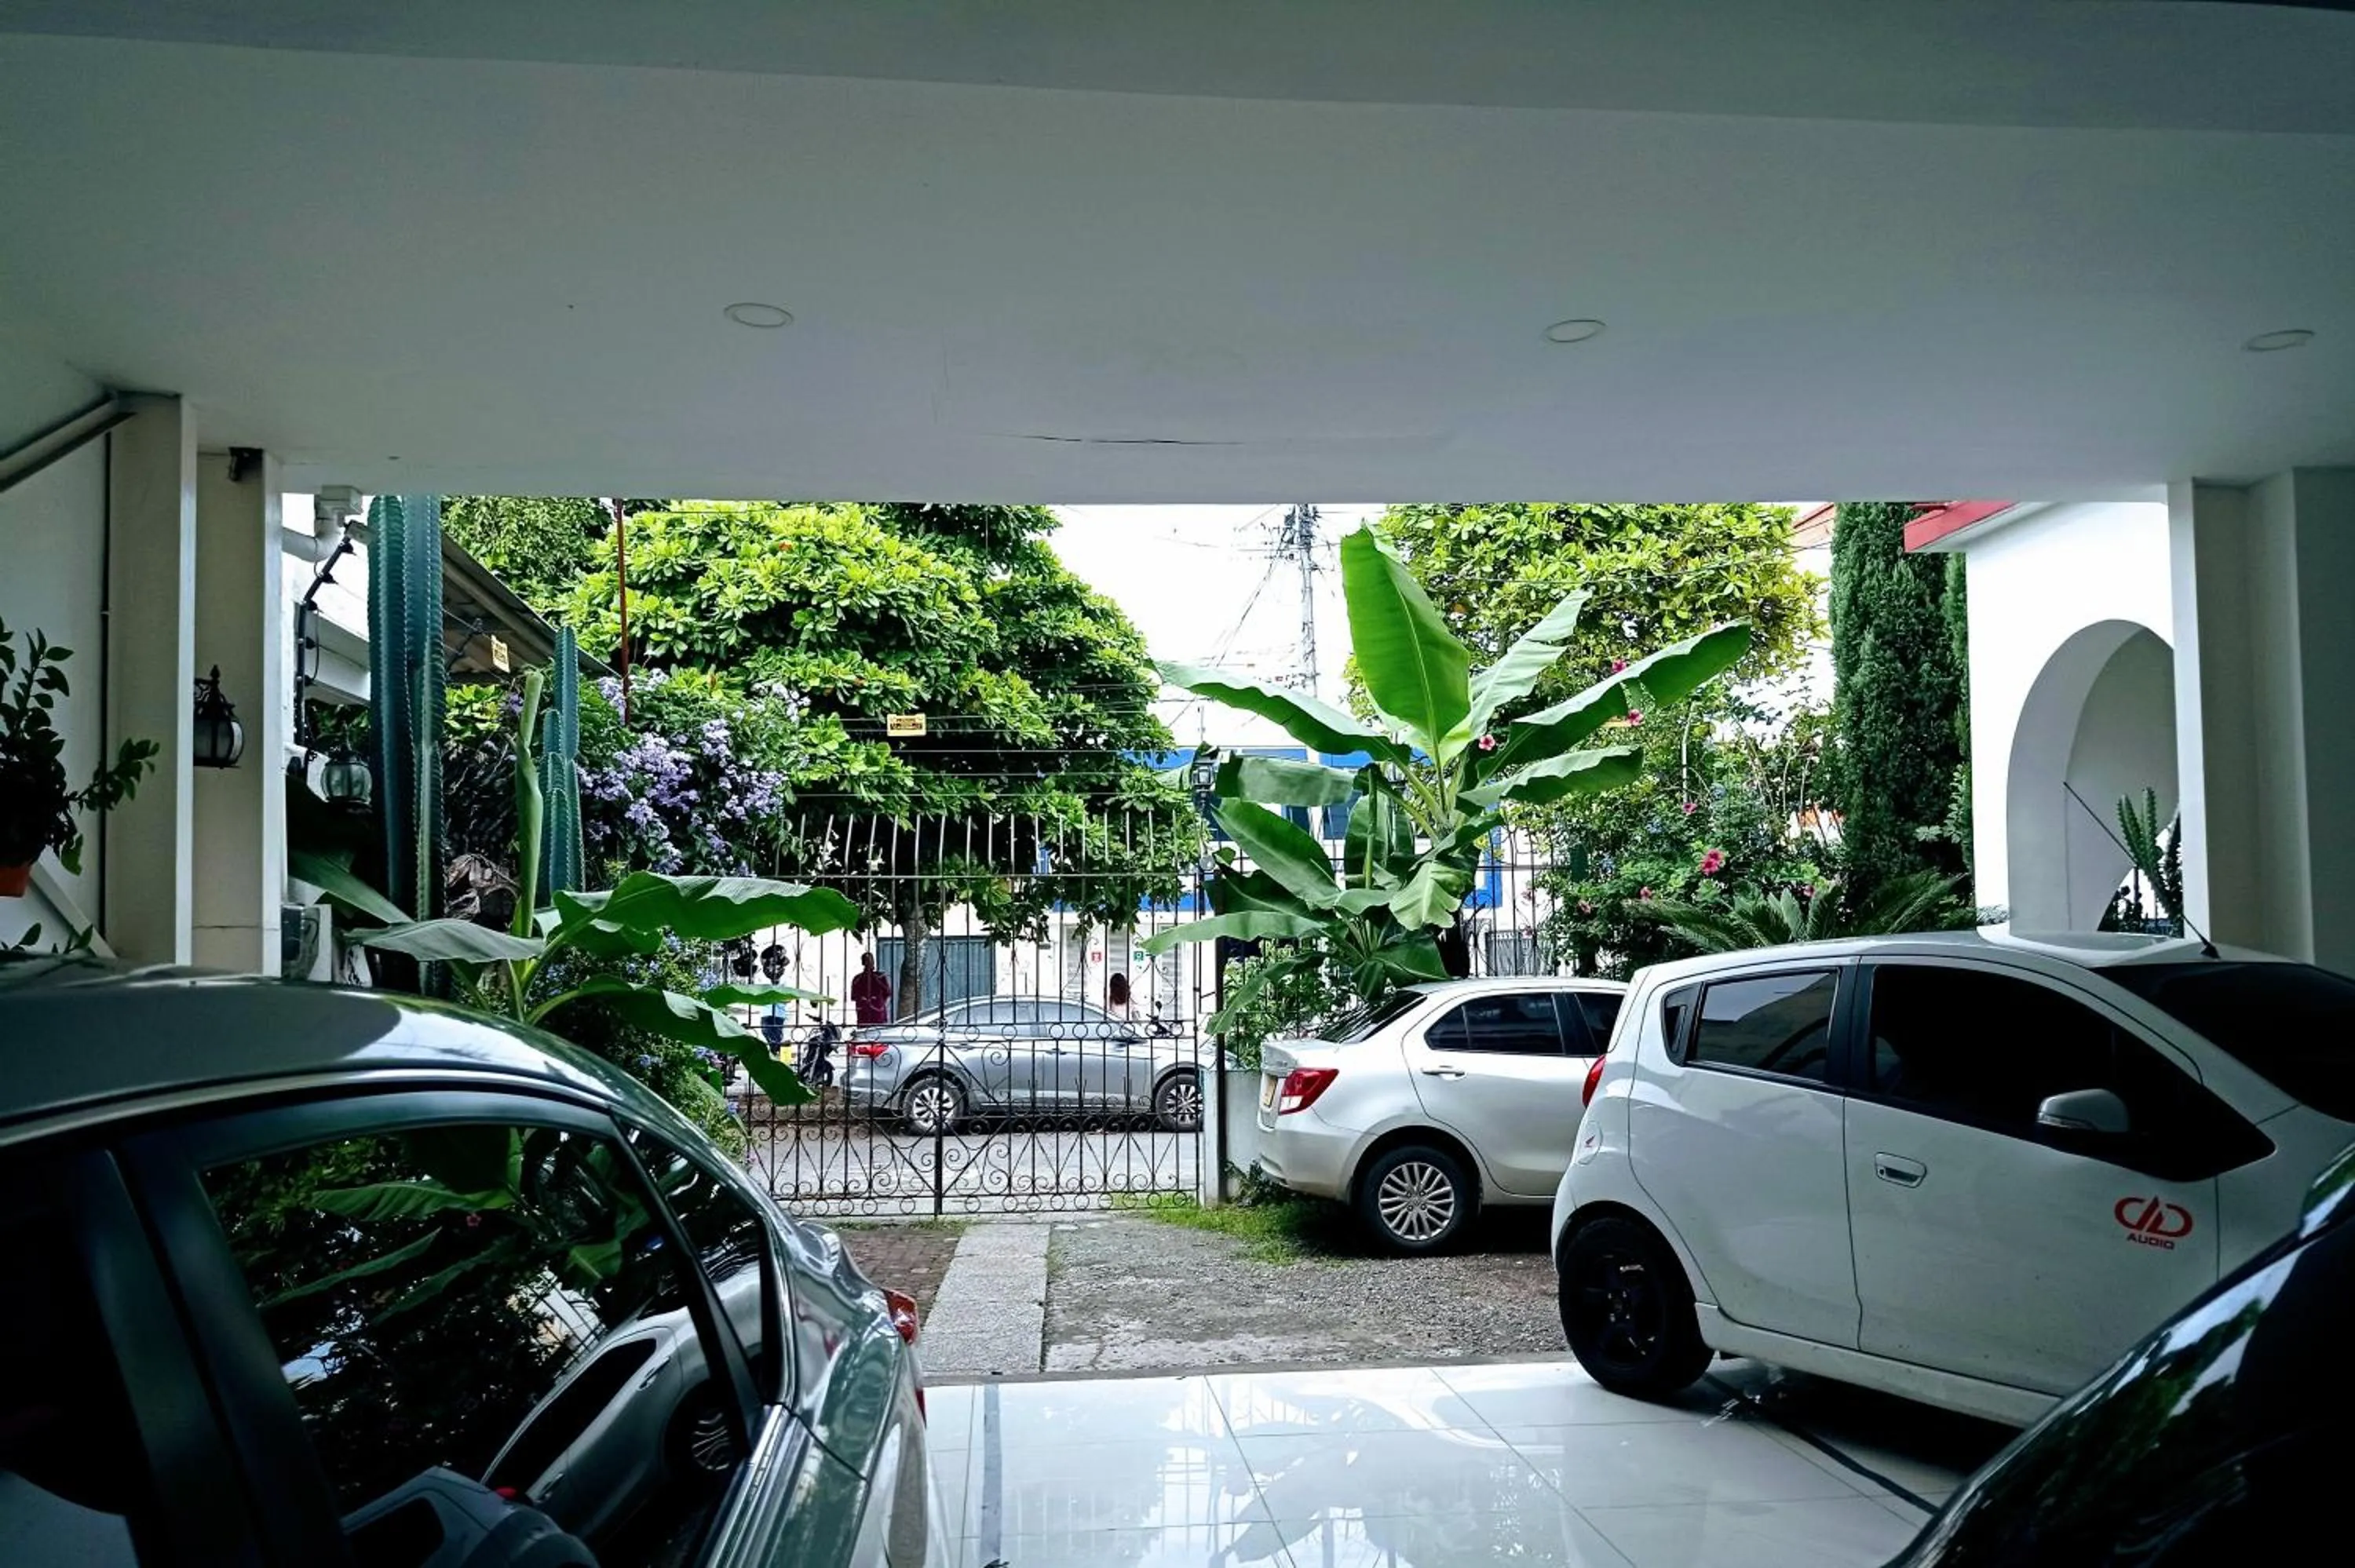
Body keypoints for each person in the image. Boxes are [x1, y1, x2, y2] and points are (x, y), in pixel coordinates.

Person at [850, 951, 893, 1025]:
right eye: (866, 961)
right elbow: (853, 996)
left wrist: (878, 1000)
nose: (869, 963)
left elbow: (888, 992)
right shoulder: (858, 979)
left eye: (870, 961)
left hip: (877, 1010)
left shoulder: (880, 977)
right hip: (864, 1011)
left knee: (878, 1031)